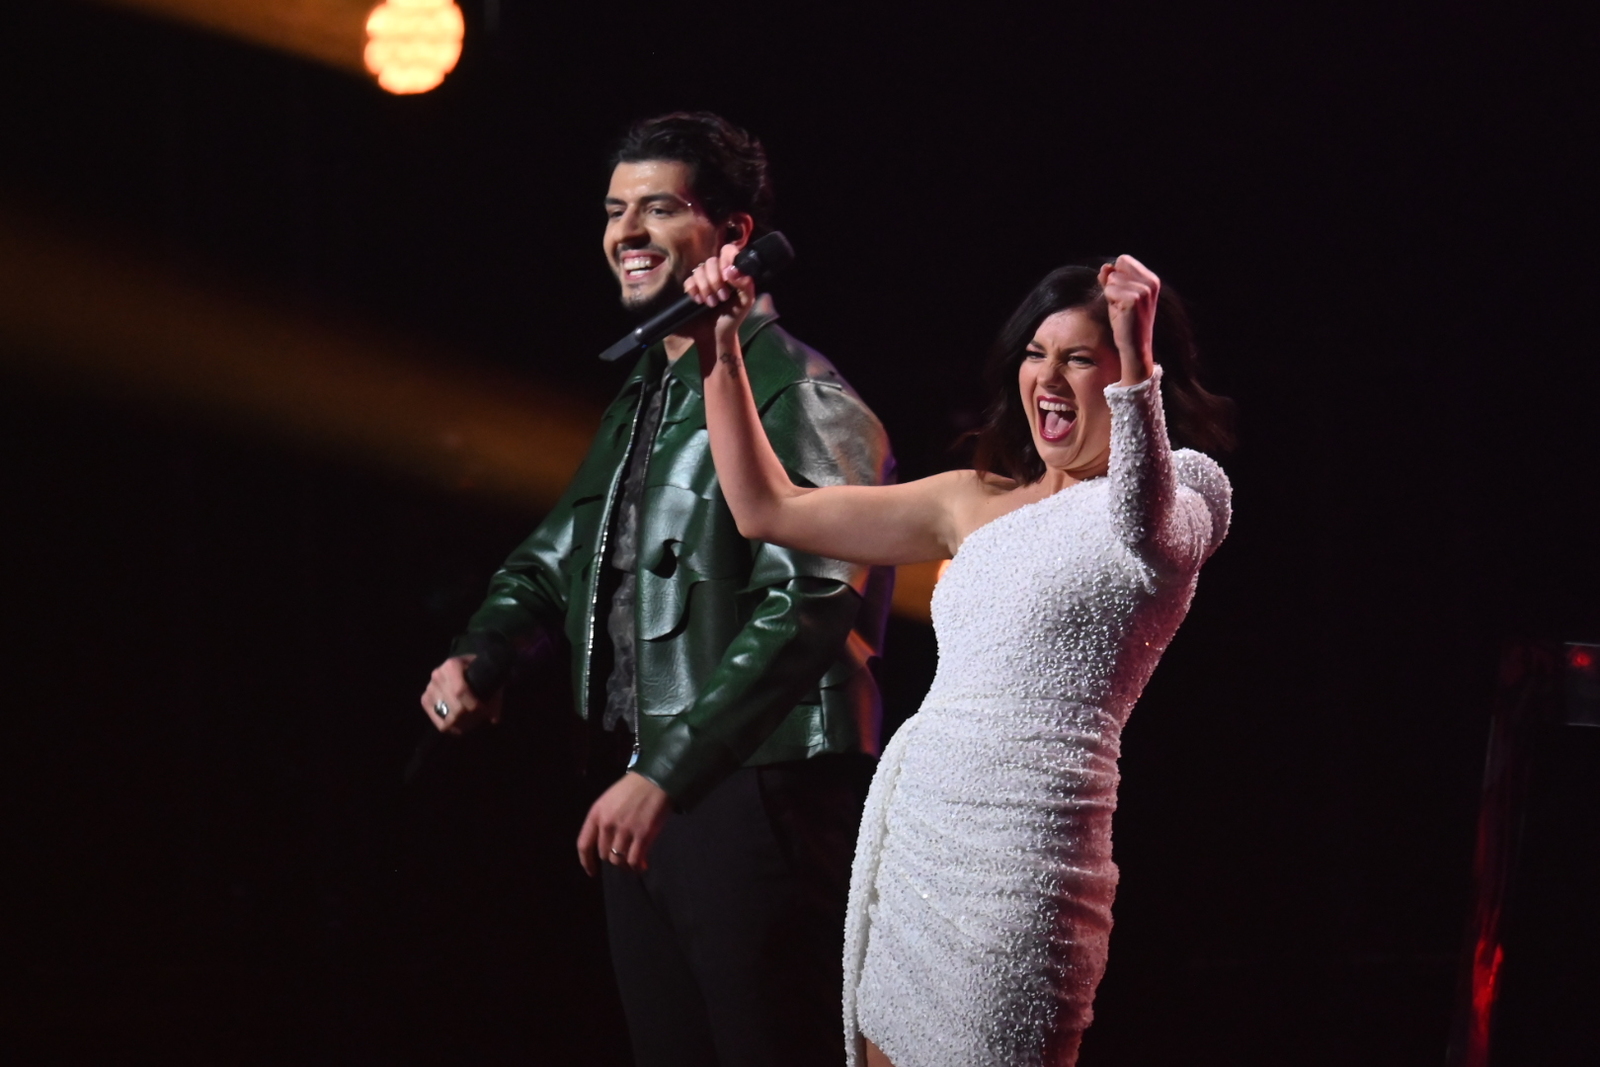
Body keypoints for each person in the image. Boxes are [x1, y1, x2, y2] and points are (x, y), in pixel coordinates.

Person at [419, 112, 895, 1067]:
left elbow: (808, 606)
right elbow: (555, 558)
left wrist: (667, 773)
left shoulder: (800, 391)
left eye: (659, 208)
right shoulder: (648, 388)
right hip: (652, 790)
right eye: (613, 211)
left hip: (756, 790)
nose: (626, 232)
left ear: (735, 234)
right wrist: (484, 653)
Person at [681, 249, 1234, 1067]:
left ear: (1133, 375)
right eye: (1036, 353)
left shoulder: (1188, 491)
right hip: (920, 838)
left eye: (1081, 358)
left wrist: (1136, 350)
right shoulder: (973, 500)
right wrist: (721, 350)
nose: (1049, 377)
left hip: (1025, 856)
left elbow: (1144, 527)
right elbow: (767, 507)